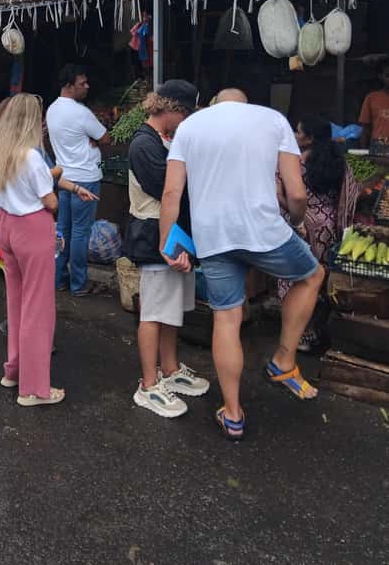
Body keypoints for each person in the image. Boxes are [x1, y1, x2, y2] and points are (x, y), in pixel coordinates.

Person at [160, 88, 325, 441]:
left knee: (227, 316)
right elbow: (296, 194)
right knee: (312, 275)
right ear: (245, 104)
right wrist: (297, 222)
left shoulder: (190, 127)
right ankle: (283, 360)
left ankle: (233, 414)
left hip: (213, 236)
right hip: (262, 231)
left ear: (215, 104)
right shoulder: (273, 120)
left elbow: (172, 193)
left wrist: (167, 243)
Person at [123, 82, 209, 419]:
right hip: (152, 235)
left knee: (173, 309)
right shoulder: (144, 145)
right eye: (185, 114)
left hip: (173, 235)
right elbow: (171, 191)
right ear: (170, 107)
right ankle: (148, 383)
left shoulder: (164, 141)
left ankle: (170, 369)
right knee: (154, 312)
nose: (185, 122)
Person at [0, 93, 64, 406]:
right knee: (38, 308)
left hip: (6, 225)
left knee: (17, 303)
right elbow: (50, 200)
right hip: (32, 228)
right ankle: (34, 389)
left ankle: (14, 370)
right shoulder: (31, 156)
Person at [277, 114, 359, 350]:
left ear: (310, 139)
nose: (294, 134)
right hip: (328, 228)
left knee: (293, 280)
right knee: (319, 281)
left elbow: (283, 196)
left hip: (299, 227)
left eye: (298, 131)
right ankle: (314, 332)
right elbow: (350, 193)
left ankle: (295, 336)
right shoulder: (339, 162)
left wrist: (295, 216)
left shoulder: (292, 164)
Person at [46, 64, 109, 295]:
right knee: (81, 232)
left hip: (63, 178)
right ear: (69, 86)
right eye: (82, 83)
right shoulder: (81, 112)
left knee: (63, 229)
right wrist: (95, 140)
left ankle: (59, 279)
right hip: (86, 179)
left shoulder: (52, 109)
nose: (87, 87)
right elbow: (106, 137)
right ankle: (79, 284)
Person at [359, 60, 389, 149]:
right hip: (379, 145)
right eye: (388, 75)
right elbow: (365, 128)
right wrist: (363, 152)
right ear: (381, 76)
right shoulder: (371, 98)